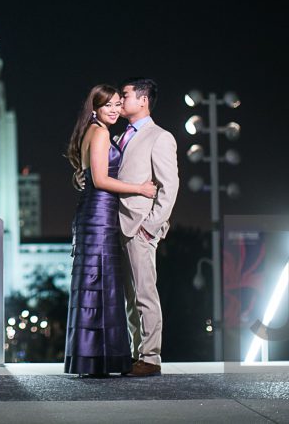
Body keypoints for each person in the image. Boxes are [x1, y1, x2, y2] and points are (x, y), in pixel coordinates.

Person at [63, 84, 158, 377]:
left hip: (98, 211)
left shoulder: (95, 131)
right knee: (99, 281)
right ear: (95, 109)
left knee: (100, 282)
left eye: (119, 104)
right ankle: (99, 359)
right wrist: (139, 188)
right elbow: (102, 180)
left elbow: (89, 174)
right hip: (99, 213)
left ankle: (97, 359)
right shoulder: (101, 132)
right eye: (109, 106)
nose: (116, 110)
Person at [115, 77, 179, 377]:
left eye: (125, 95)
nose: (120, 99)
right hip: (119, 226)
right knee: (130, 298)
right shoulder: (121, 136)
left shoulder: (160, 137)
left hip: (140, 228)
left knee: (145, 295)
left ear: (143, 100)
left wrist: (150, 227)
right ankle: (135, 354)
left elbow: (170, 187)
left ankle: (151, 357)